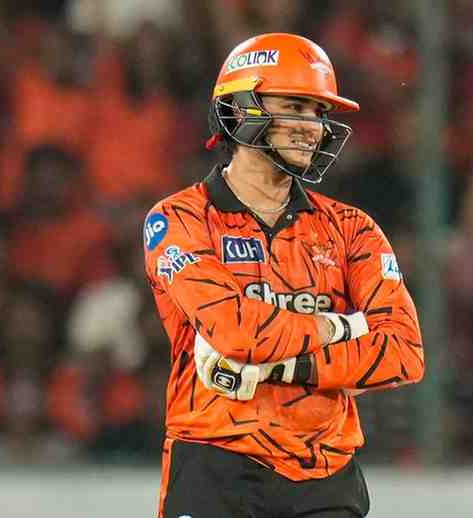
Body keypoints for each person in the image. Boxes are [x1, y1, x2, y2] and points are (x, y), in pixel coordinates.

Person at [143, 33, 425, 518]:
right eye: (295, 106)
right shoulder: (177, 219)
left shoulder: (353, 228)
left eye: (319, 112)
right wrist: (342, 327)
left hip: (326, 475)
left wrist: (277, 368)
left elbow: (404, 353)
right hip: (215, 466)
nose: (312, 127)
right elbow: (235, 332)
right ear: (239, 110)